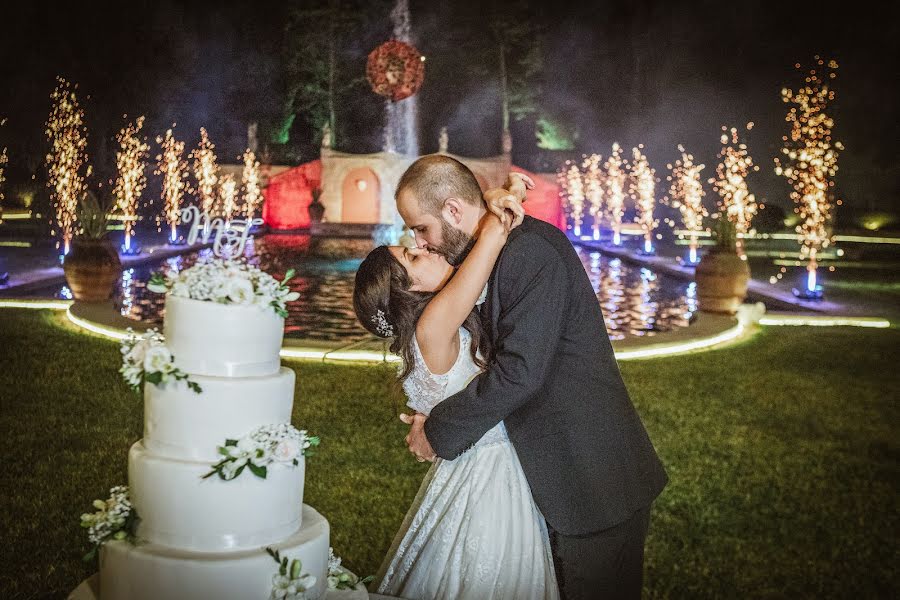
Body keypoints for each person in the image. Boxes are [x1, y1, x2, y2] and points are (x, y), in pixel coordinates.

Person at [395, 155, 668, 600]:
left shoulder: (529, 252)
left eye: (420, 228)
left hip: (590, 481)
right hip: (547, 481)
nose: (421, 242)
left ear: (452, 210)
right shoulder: (491, 250)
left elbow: (520, 372)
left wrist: (439, 430)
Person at [353, 172, 559, 599]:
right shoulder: (434, 324)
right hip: (492, 472)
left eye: (416, 242)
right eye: (412, 257)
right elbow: (492, 239)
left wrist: (503, 195)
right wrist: (506, 194)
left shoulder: (430, 328)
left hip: (471, 461)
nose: (424, 247)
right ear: (405, 291)